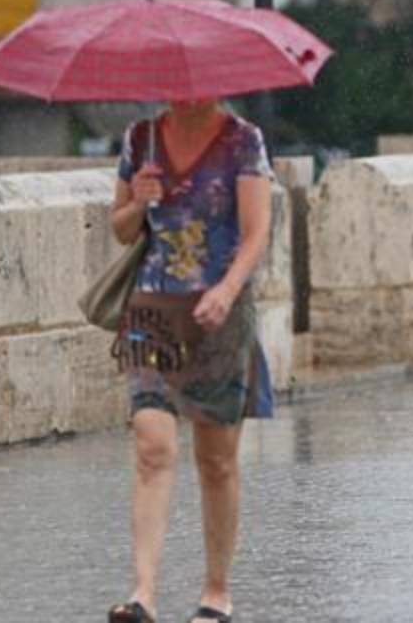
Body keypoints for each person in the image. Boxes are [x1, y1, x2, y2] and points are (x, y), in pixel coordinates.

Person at [107, 98, 273, 623]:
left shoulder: (242, 140)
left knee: (216, 460)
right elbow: (121, 230)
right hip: (151, 311)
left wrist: (227, 290)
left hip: (217, 313)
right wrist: (139, 200)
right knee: (152, 446)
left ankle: (215, 593)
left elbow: (255, 232)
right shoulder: (141, 139)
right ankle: (142, 595)